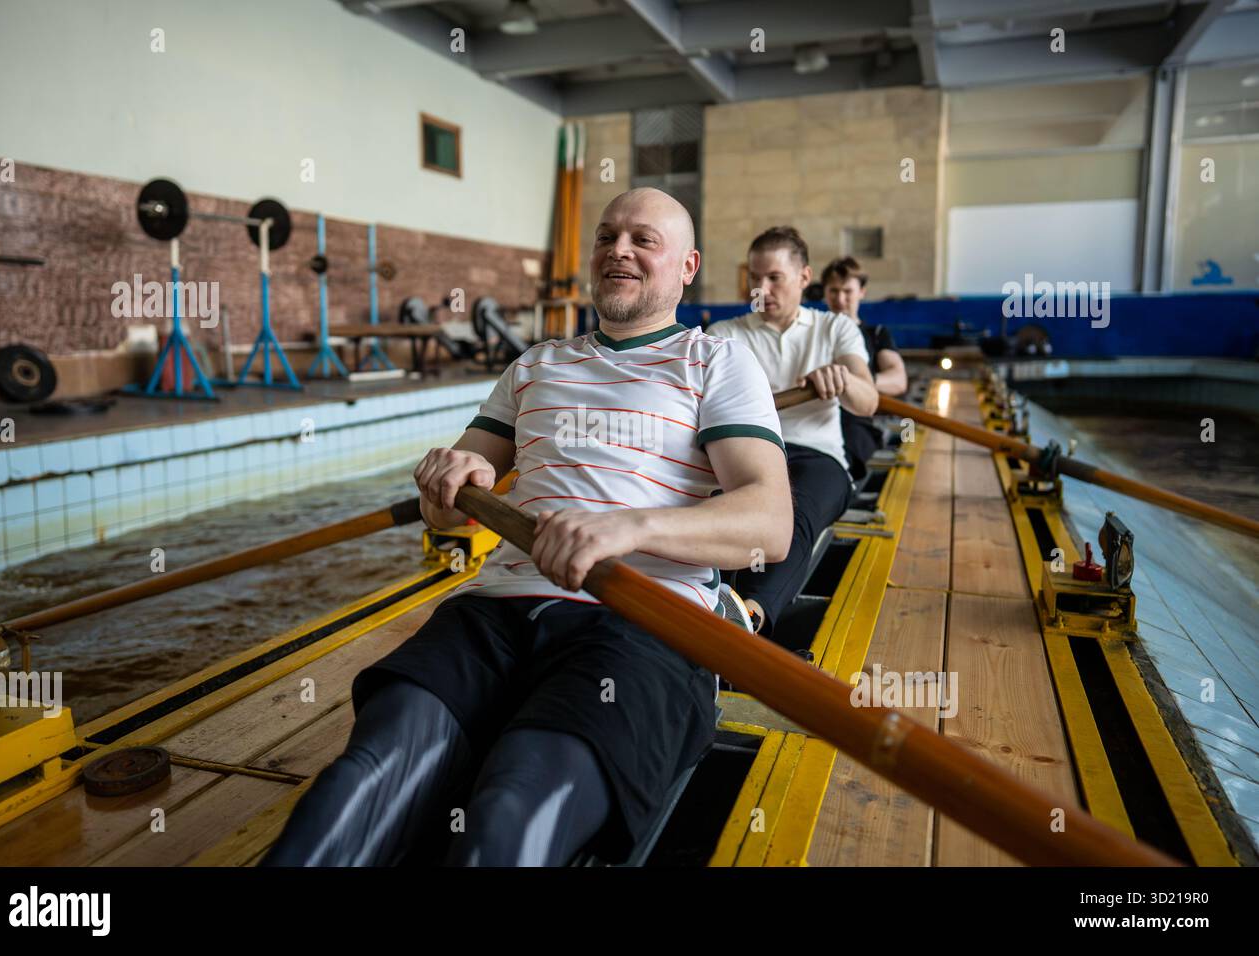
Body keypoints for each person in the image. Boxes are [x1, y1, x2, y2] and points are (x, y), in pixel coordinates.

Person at [261, 188, 792, 867]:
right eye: (606, 237)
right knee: (358, 782)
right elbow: (449, 508)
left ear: (687, 267)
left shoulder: (714, 362)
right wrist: (445, 482)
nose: (617, 250)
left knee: (506, 822)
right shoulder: (535, 365)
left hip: (640, 623)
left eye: (642, 240)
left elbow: (769, 523)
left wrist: (626, 529)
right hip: (494, 614)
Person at [709, 228, 878, 641]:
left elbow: (867, 401)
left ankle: (747, 617)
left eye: (773, 278)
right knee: (711, 507)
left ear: (804, 277)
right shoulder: (725, 335)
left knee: (794, 512)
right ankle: (698, 604)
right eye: (754, 277)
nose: (760, 288)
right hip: (745, 452)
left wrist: (842, 379)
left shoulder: (835, 329)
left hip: (817, 456)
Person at [821, 256, 908, 480]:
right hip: (811, 418)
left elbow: (898, 380)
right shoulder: (812, 332)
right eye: (833, 291)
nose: (840, 299)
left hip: (854, 421)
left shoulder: (877, 334)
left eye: (847, 291)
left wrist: (853, 381)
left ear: (862, 292)